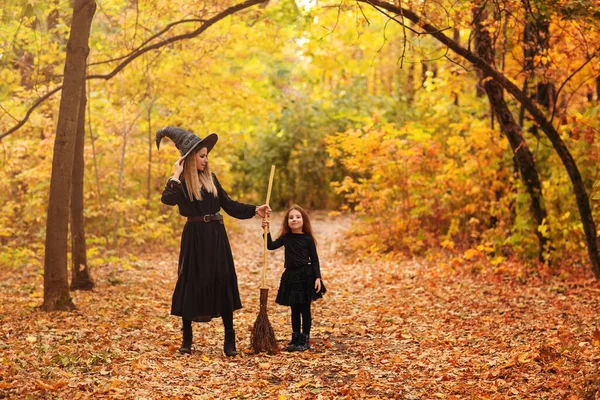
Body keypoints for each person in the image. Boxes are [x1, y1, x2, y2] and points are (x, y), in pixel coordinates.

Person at [156, 126, 271, 357]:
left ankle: (230, 340)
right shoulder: (180, 184)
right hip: (194, 238)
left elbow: (229, 205)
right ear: (189, 159)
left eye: (206, 155)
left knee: (221, 281)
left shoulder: (212, 179)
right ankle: (186, 340)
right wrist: (175, 174)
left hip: (216, 236)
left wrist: (254, 210)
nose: (206, 160)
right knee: (191, 281)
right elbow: (166, 200)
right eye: (201, 156)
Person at [262, 205, 326, 352]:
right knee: (294, 310)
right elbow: (270, 246)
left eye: (298, 217)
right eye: (291, 217)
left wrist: (318, 278)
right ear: (287, 221)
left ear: (303, 220)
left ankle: (305, 339)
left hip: (306, 276)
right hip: (291, 276)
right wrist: (266, 231)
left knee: (305, 309)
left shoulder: (308, 239)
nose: (294, 219)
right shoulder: (286, 238)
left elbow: (315, 260)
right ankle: (295, 338)